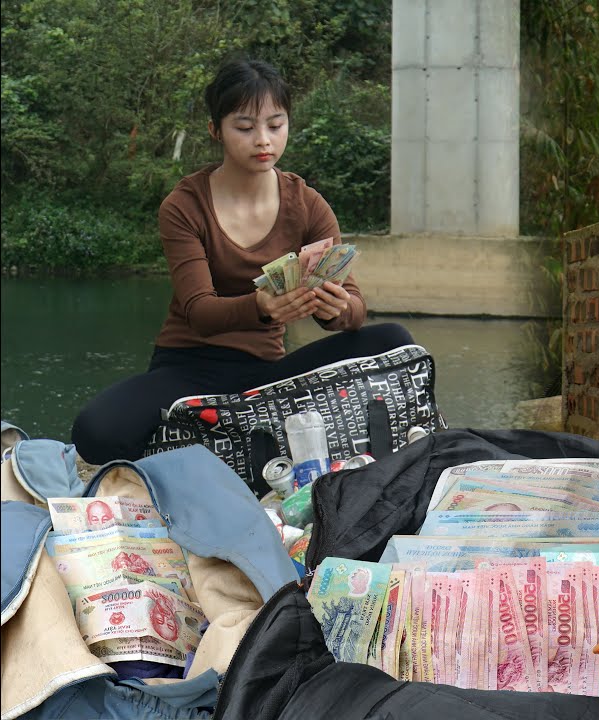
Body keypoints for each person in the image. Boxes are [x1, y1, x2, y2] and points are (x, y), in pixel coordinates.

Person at [72, 58, 413, 463]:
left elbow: (354, 309)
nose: (263, 140)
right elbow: (199, 311)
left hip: (269, 374)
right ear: (216, 130)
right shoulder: (185, 205)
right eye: (245, 127)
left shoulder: (308, 205)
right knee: (95, 431)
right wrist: (262, 308)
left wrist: (338, 308)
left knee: (394, 341)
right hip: (188, 370)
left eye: (275, 124)